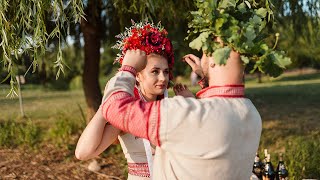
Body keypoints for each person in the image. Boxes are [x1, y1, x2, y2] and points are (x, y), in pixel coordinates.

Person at [100, 40, 262, 179]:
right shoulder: (251, 113)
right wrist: (207, 80)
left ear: (212, 62)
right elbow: (218, 110)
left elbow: (115, 108)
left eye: (206, 53)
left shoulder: (181, 112)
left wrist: (128, 69)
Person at [75, 21, 192, 179]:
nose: (163, 78)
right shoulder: (128, 113)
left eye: (166, 72)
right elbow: (83, 153)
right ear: (138, 75)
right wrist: (107, 105)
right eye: (155, 71)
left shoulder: (172, 106)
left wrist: (191, 104)